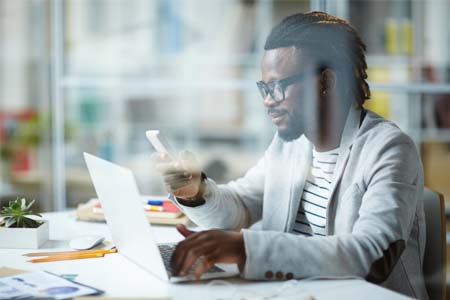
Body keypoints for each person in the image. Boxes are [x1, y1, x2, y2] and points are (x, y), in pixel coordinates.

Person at [153, 11, 427, 299]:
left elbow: (372, 256)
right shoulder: (290, 144)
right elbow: (242, 207)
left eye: (279, 86)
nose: (268, 100)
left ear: (326, 82)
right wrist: (195, 192)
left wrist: (245, 248)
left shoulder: (389, 149)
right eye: (264, 87)